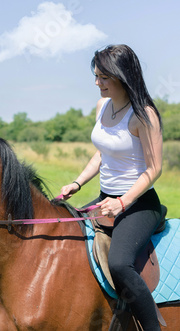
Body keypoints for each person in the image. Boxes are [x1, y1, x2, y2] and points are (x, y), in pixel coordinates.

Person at [60, 44, 163, 330]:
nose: (97, 83)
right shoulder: (102, 107)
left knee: (119, 263)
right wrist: (77, 182)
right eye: (96, 76)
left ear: (122, 76)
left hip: (139, 203)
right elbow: (102, 153)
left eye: (103, 77)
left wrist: (122, 202)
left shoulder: (143, 115)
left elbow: (154, 170)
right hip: (104, 199)